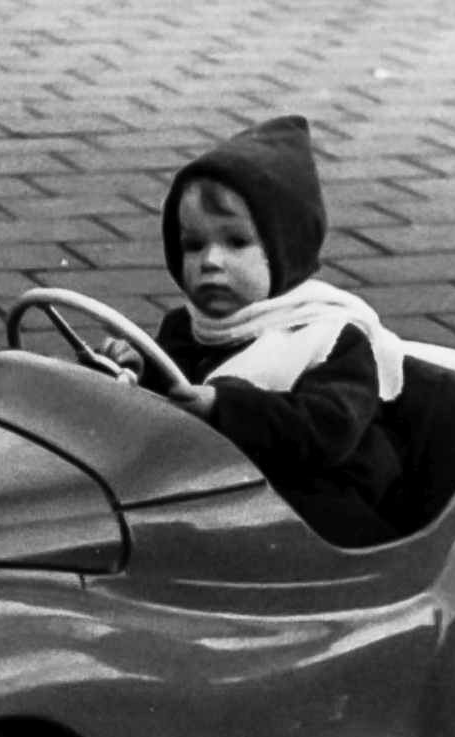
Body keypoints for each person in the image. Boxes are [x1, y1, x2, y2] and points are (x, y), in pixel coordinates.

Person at [98, 114, 406, 547]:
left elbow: (325, 432)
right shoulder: (186, 326)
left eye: (236, 243)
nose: (210, 262)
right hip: (219, 486)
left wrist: (224, 408)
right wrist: (134, 371)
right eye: (193, 245)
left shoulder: (330, 334)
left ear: (286, 248)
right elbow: (169, 399)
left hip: (320, 507)